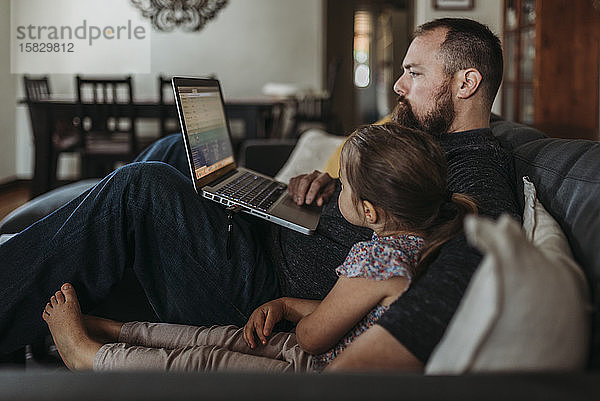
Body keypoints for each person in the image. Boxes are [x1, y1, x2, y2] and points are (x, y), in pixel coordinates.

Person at [0, 17, 519, 371]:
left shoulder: (481, 168)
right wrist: (329, 186)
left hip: (258, 290)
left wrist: (307, 306)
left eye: (414, 72)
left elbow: (451, 261)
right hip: (278, 233)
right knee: (171, 150)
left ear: (466, 81)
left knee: (142, 188)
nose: (400, 87)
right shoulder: (429, 141)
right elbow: (387, 199)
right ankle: (66, 253)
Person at [41, 124, 477, 372]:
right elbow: (352, 309)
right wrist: (287, 303)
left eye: (343, 183)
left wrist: (290, 308)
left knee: (205, 361)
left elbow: (312, 336)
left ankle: (90, 356)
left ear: (370, 211)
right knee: (212, 341)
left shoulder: (372, 261)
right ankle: (117, 326)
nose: (336, 185)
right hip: (308, 332)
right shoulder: (416, 246)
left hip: (310, 365)